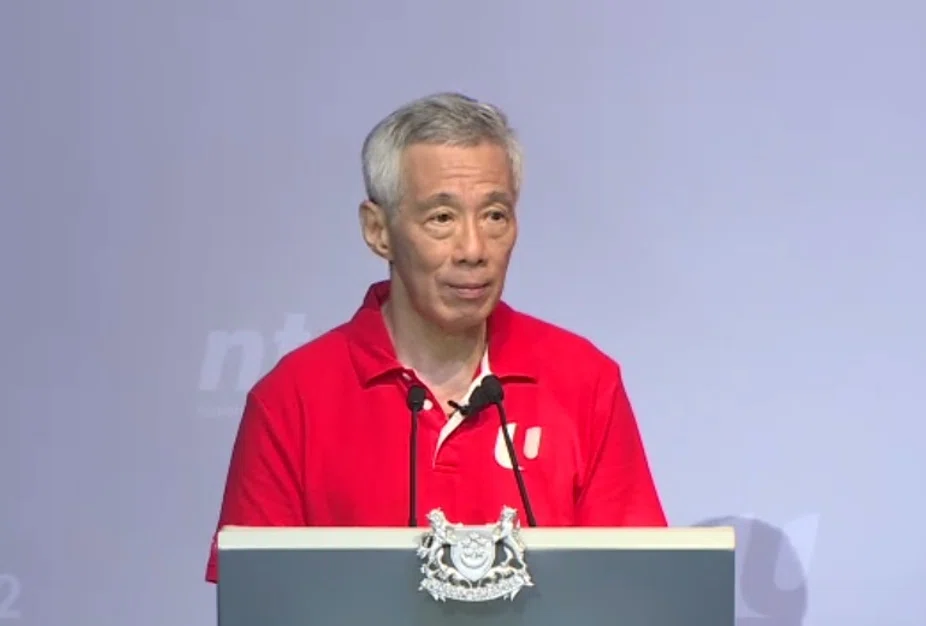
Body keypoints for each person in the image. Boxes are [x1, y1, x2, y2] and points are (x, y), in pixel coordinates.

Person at [205, 92, 667, 583]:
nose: (473, 249)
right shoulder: (291, 401)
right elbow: (260, 603)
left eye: (494, 215)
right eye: (441, 219)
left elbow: (634, 590)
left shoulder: (584, 381)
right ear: (377, 230)